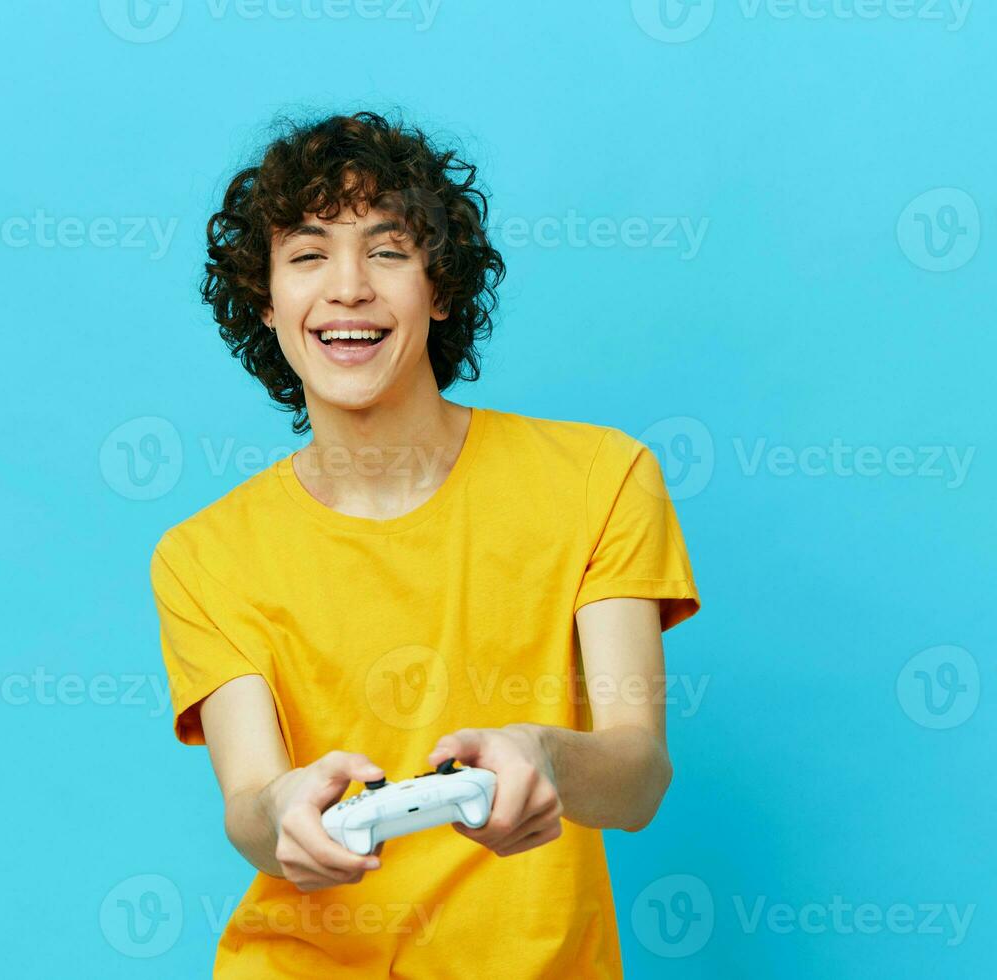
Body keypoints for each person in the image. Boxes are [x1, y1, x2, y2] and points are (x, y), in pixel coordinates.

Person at [149, 109, 702, 977]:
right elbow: (251, 807)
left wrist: (545, 752)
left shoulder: (602, 478)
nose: (347, 288)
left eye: (387, 249)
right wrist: (286, 809)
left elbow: (639, 775)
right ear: (267, 302)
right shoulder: (202, 555)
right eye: (306, 255)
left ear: (439, 287)